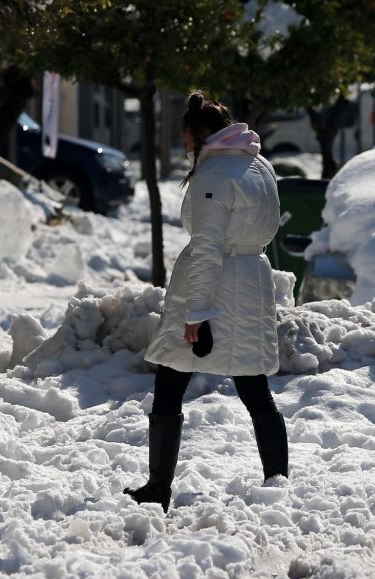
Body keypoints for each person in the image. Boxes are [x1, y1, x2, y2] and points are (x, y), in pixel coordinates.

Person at [124, 91, 288, 514]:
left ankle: (158, 488)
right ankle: (278, 483)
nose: (185, 148)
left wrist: (196, 313)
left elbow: (207, 247)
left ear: (199, 136)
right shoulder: (259, 166)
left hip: (216, 286)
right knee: (255, 387)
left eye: (186, 140)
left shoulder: (213, 176)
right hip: (252, 280)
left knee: (170, 379)